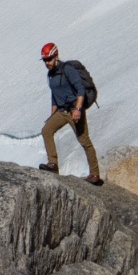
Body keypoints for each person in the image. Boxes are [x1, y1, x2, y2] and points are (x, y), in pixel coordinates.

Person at [39, 42, 103, 185]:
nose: (47, 63)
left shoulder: (68, 69)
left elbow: (80, 89)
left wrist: (78, 109)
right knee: (46, 131)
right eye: (44, 60)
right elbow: (54, 97)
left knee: (84, 140)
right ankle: (53, 164)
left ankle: (95, 174)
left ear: (56, 56)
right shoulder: (51, 75)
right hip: (62, 111)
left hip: (74, 109)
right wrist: (52, 116)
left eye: (49, 59)